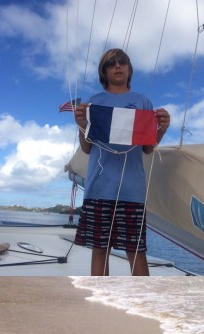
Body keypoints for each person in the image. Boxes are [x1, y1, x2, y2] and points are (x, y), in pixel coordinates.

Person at [73, 48, 170, 275]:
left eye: (122, 61)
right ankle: (101, 296)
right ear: (104, 71)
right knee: (100, 250)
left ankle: (142, 298)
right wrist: (82, 125)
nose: (117, 66)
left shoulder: (143, 102)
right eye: (111, 63)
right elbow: (87, 148)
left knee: (136, 252)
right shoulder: (94, 103)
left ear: (129, 68)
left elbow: (147, 148)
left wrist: (162, 128)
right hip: (98, 189)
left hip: (132, 191)